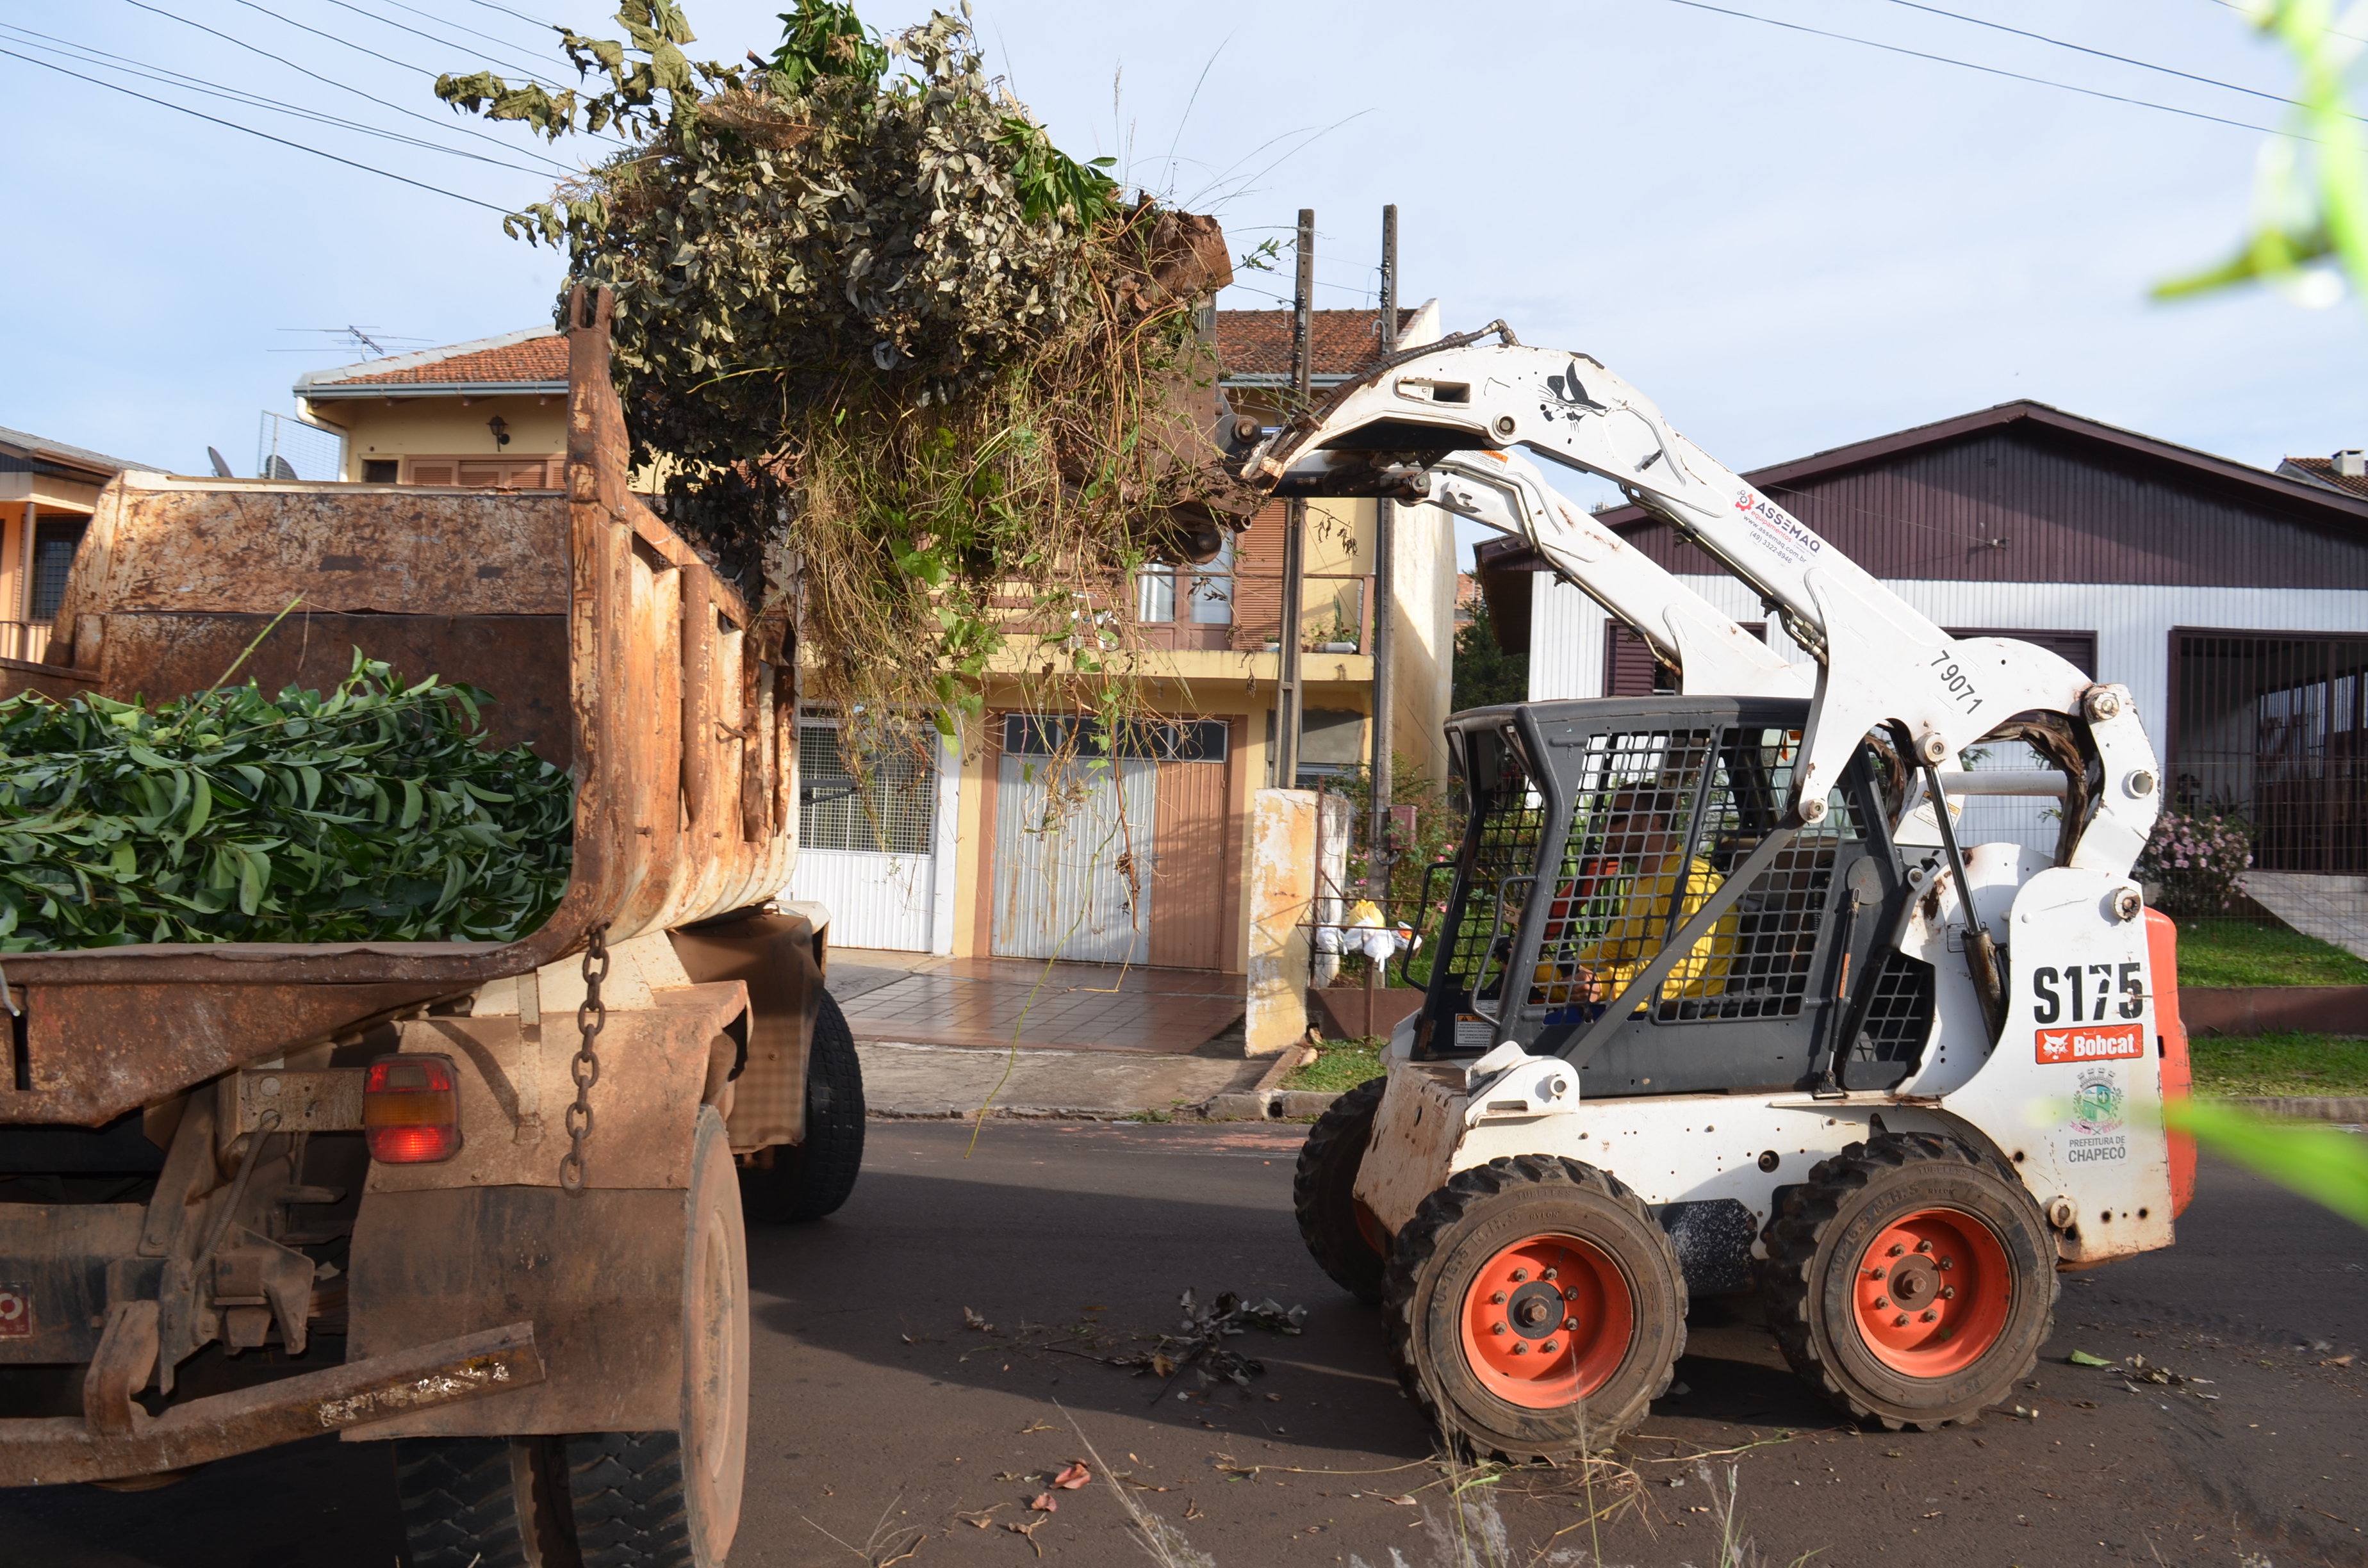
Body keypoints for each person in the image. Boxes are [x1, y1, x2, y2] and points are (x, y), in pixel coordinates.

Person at [1534, 785, 1735, 1011]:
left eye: (1616, 818)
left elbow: (1682, 967)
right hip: (1641, 1011)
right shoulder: (1643, 883)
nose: (1605, 827)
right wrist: (1536, 973)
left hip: (1676, 1018)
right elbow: (1610, 952)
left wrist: (1603, 985)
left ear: (1652, 823)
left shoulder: (1691, 882)